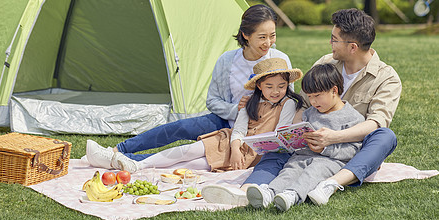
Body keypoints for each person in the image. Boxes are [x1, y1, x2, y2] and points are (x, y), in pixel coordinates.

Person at [202, 8, 402, 206]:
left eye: (334, 39)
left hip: (349, 146)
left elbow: (375, 123)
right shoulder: (326, 63)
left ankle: (332, 183)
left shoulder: (387, 78)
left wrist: (332, 138)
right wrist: (293, 132)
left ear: (352, 47)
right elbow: (303, 104)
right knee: (282, 150)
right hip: (310, 141)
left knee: (385, 136)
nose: (329, 43)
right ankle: (245, 192)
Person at [85, 4, 294, 172]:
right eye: (262, 37)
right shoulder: (228, 61)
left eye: (272, 36)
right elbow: (212, 101)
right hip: (226, 118)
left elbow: (288, 99)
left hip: (255, 130)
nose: (269, 43)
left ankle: (121, 160)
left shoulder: (280, 59)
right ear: (245, 35)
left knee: (191, 154)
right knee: (180, 127)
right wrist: (237, 110)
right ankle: (118, 149)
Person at [108, 58, 303, 175]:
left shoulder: (287, 104)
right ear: (259, 85)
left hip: (253, 153)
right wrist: (235, 147)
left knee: (194, 165)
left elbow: (280, 133)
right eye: (269, 86)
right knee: (188, 151)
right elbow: (239, 129)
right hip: (229, 141)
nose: (276, 91)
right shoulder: (249, 102)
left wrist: (240, 153)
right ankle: (138, 164)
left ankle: (140, 165)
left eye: (281, 86)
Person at [245, 63, 364, 211]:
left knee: (313, 172)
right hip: (301, 156)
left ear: (334, 90)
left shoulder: (353, 118)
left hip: (329, 161)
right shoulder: (309, 113)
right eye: (309, 97)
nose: (313, 102)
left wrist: (325, 148)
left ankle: (292, 195)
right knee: (289, 171)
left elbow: (353, 151)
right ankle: (270, 192)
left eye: (317, 96)